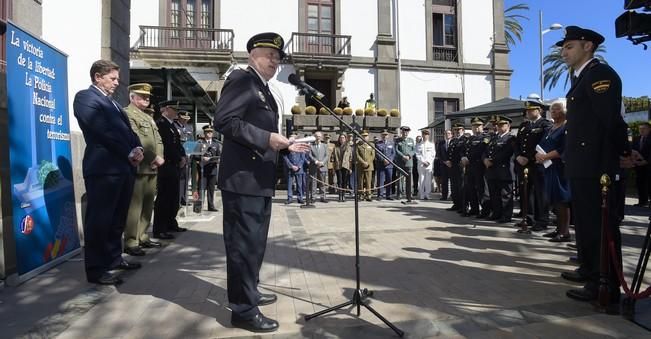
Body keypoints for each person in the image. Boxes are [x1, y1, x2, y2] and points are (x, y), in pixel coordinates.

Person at [213, 32, 311, 333]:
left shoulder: (263, 88)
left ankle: (249, 291)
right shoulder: (243, 80)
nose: (275, 61)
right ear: (252, 54)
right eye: (269, 54)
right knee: (243, 245)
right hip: (242, 179)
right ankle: (243, 310)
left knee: (254, 244)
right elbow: (225, 121)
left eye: (278, 57)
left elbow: (259, 128)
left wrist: (284, 144)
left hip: (258, 179)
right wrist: (267, 138)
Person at [556, 26, 631, 312]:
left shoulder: (600, 74)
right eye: (563, 48)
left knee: (601, 226)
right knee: (586, 223)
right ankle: (589, 270)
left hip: (597, 164)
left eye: (570, 46)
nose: (564, 52)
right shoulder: (581, 77)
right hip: (582, 164)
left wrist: (623, 151)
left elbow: (610, 119)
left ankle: (605, 284)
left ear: (588, 46)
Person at [73, 60, 144, 285]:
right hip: (104, 169)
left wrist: (138, 147)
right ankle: (95, 269)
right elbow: (101, 131)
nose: (116, 83)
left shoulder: (112, 103)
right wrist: (129, 151)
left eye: (117, 78)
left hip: (123, 168)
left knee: (117, 218)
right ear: (97, 77)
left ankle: (114, 259)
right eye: (112, 78)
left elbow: (128, 131)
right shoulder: (85, 98)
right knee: (100, 219)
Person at [123, 83, 164, 257]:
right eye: (142, 96)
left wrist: (159, 157)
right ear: (132, 97)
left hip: (153, 167)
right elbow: (136, 138)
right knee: (135, 207)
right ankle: (131, 241)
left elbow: (158, 139)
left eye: (148, 97)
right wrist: (153, 157)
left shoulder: (148, 117)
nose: (146, 99)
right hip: (140, 167)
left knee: (148, 205)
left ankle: (143, 235)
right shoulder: (128, 113)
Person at [514, 99, 553, 232]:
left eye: (532, 110)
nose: (529, 112)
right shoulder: (524, 125)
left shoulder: (545, 124)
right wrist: (518, 155)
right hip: (523, 164)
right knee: (526, 192)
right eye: (528, 110)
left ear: (539, 110)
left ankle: (542, 220)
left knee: (540, 192)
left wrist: (528, 157)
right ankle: (528, 217)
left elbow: (544, 143)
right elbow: (517, 143)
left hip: (537, 163)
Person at [535, 101, 572, 242]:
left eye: (557, 109)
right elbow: (542, 144)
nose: (554, 112)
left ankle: (565, 232)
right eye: (552, 110)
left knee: (562, 200)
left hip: (560, 168)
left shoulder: (567, 127)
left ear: (564, 111)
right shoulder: (550, 128)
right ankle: (558, 228)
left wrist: (546, 156)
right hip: (548, 168)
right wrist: (537, 155)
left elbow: (564, 148)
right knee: (554, 200)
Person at [153, 100, 188, 240]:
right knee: (164, 198)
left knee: (173, 197)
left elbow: (177, 144)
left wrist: (182, 156)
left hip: (174, 164)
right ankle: (160, 228)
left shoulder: (171, 125)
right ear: (166, 109)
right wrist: (178, 157)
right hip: (166, 164)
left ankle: (170, 222)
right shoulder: (161, 124)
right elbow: (166, 146)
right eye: (174, 109)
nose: (176, 112)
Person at [483, 116, 515, 223]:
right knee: (494, 194)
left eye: (502, 124)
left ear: (508, 126)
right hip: (492, 170)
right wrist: (485, 159)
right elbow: (485, 151)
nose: (500, 127)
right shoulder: (493, 138)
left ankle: (506, 216)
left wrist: (492, 160)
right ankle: (497, 213)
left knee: (505, 194)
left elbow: (506, 153)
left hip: (504, 170)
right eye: (498, 125)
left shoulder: (511, 138)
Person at [462, 117, 490, 216]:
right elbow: (465, 150)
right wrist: (464, 157)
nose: (476, 128)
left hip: (480, 167)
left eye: (478, 126)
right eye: (474, 126)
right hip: (470, 167)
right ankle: (474, 209)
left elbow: (482, 151)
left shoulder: (486, 138)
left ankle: (485, 210)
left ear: (482, 126)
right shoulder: (470, 139)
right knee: (471, 189)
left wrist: (468, 158)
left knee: (481, 189)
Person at [198, 125, 221, 211]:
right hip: (203, 169)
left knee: (211, 189)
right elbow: (195, 155)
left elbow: (219, 155)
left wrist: (216, 159)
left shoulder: (216, 144)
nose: (209, 133)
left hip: (212, 169)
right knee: (201, 189)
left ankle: (211, 206)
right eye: (207, 132)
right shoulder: (200, 143)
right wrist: (202, 158)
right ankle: (199, 206)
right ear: (204, 133)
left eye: (211, 132)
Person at [175, 111, 194, 206]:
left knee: (186, 178)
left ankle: (184, 198)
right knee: (178, 179)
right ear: (179, 117)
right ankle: (177, 199)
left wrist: (191, 152)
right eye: (183, 118)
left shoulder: (189, 127)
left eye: (187, 119)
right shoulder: (174, 126)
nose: (185, 120)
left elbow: (192, 141)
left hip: (188, 156)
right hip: (178, 156)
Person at [446, 123, 465, 211]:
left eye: (459, 130)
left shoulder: (465, 139)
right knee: (454, 186)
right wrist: (447, 160)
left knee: (461, 186)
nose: (457, 131)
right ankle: (456, 204)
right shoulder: (453, 141)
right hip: (452, 166)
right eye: (456, 130)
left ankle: (463, 205)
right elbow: (449, 153)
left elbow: (465, 152)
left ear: (463, 130)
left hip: (460, 166)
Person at [283, 133, 307, 204]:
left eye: (294, 138)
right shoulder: (286, 147)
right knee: (289, 184)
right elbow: (285, 157)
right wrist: (291, 166)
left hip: (299, 168)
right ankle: (289, 198)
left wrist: (298, 166)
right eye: (291, 138)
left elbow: (302, 158)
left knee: (299, 184)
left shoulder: (300, 146)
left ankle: (300, 198)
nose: (292, 139)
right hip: (290, 168)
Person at [632, 122, 651, 207]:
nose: (641, 130)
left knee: (649, 184)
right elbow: (632, 150)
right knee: (640, 183)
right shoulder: (636, 138)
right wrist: (635, 161)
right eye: (640, 129)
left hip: (649, 165)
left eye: (644, 129)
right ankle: (642, 201)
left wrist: (646, 161)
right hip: (638, 166)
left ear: (649, 129)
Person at [308, 131, 329, 202]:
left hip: (322, 166)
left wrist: (322, 162)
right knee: (313, 182)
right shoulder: (311, 145)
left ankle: (323, 197)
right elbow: (309, 155)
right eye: (317, 136)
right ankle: (313, 197)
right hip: (314, 166)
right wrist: (316, 161)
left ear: (321, 137)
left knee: (322, 182)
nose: (318, 138)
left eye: (319, 136)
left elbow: (327, 155)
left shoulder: (325, 145)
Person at [375, 130, 396, 200]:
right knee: (380, 180)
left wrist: (389, 160)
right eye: (383, 135)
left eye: (386, 135)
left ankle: (388, 195)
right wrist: (383, 160)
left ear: (388, 135)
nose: (384, 136)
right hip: (381, 164)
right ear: (381, 135)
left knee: (389, 180)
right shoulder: (378, 143)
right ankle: (380, 195)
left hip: (389, 165)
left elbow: (393, 153)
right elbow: (377, 153)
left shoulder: (391, 143)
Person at [395, 126, 415, 199]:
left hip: (409, 162)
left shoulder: (411, 140)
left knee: (409, 179)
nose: (405, 133)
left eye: (407, 132)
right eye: (404, 131)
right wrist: (403, 156)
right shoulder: (397, 140)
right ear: (401, 132)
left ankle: (409, 194)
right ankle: (399, 194)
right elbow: (396, 150)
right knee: (399, 179)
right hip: (400, 162)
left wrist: (409, 156)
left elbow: (414, 150)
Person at [356, 131, 375, 201]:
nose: (364, 137)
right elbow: (357, 155)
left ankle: (368, 195)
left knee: (368, 181)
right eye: (363, 136)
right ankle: (361, 194)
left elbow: (373, 155)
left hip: (369, 166)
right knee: (360, 181)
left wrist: (368, 162)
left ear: (368, 137)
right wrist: (363, 162)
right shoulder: (358, 145)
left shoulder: (372, 144)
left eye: (366, 136)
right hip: (360, 166)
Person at [416, 130, 435, 200]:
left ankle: (427, 194)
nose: (425, 136)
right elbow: (417, 154)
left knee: (428, 180)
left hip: (429, 165)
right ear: (422, 135)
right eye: (424, 134)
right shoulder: (418, 144)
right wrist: (423, 161)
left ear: (428, 135)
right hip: (421, 164)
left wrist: (429, 162)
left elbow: (433, 155)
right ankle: (421, 194)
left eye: (426, 134)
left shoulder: (431, 145)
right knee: (421, 180)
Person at [333, 133, 352, 202]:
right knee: (339, 181)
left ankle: (343, 195)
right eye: (340, 138)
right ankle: (340, 195)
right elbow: (333, 158)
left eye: (343, 137)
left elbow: (350, 158)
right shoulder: (336, 147)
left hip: (346, 166)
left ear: (345, 138)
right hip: (338, 166)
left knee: (345, 181)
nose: (342, 139)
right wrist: (334, 167)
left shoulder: (348, 147)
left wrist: (350, 168)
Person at [437, 129, 453, 200]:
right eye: (446, 134)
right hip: (443, 165)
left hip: (452, 165)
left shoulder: (454, 142)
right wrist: (445, 161)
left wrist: (450, 162)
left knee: (453, 181)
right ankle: (444, 196)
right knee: (444, 181)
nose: (447, 135)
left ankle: (453, 195)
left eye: (449, 133)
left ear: (451, 135)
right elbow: (438, 154)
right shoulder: (441, 143)